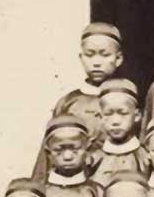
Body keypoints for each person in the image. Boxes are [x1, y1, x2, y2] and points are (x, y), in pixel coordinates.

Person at [30, 22, 122, 180]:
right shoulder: (68, 102)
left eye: (105, 54)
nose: (97, 62)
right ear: (81, 58)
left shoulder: (124, 101)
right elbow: (48, 153)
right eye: (90, 54)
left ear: (118, 58)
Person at [88, 78, 149, 188]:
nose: (115, 121)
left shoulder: (145, 158)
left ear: (136, 116)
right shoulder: (94, 158)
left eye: (123, 113)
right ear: (100, 117)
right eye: (108, 114)